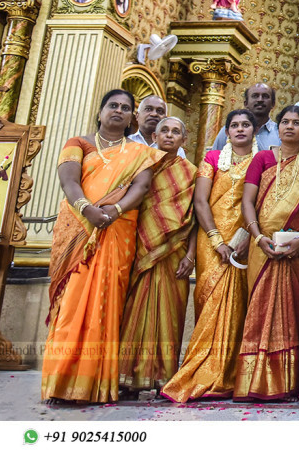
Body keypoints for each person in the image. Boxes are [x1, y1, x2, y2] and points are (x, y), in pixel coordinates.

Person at [42, 89, 160, 403]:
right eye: (113, 106)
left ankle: (95, 385)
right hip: (79, 228)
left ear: (132, 116)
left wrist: (115, 211)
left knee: (107, 302)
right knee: (71, 305)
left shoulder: (140, 152)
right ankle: (61, 383)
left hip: (118, 229)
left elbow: (142, 186)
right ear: (100, 111)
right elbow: (69, 181)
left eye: (125, 108)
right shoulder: (79, 143)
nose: (118, 111)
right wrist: (88, 210)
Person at [161, 110, 259, 403]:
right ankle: (199, 371)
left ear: (254, 131)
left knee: (238, 306)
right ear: (227, 132)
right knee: (210, 304)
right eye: (234, 125)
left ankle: (228, 375)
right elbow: (201, 201)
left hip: (244, 241)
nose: (240, 129)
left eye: (246, 125)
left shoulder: (263, 160)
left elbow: (259, 201)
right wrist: (217, 240)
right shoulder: (213, 159)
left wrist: (244, 238)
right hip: (211, 239)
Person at [235, 105, 299, 401]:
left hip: (297, 248)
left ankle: (290, 381)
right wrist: (257, 238)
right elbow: (248, 201)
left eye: (297, 123)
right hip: (262, 247)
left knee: (294, 312)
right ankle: (251, 382)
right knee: (259, 310)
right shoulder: (263, 158)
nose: (290, 127)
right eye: (285, 122)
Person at [119, 117, 198, 394]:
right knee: (134, 312)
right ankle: (127, 378)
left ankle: (164, 377)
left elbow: (194, 218)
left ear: (184, 140)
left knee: (170, 315)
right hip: (140, 249)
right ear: (154, 135)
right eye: (164, 130)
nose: (169, 135)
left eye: (176, 131)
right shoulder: (141, 166)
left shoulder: (192, 172)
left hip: (174, 254)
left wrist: (191, 256)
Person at [211, 83, 280, 151]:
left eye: (265, 96)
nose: (260, 100)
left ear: (273, 104)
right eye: (255, 96)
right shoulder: (229, 130)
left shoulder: (279, 132)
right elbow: (214, 158)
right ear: (246, 103)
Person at [129, 95, 186, 160]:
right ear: (137, 116)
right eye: (148, 109)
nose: (154, 114)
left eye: (160, 111)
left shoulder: (177, 151)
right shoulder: (125, 143)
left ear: (165, 119)